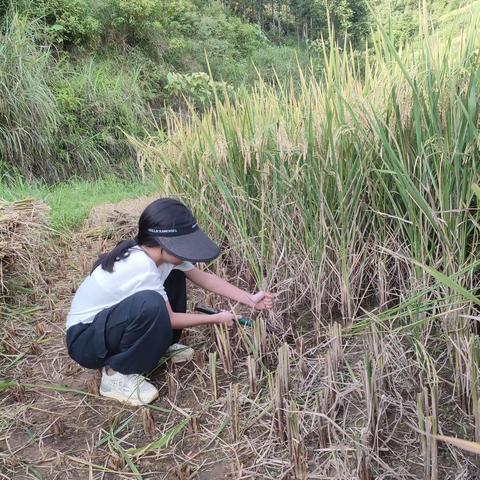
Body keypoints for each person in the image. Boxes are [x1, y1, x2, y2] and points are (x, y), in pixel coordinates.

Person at [65, 197, 273, 406]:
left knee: (174, 277)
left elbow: (205, 278)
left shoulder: (162, 259)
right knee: (151, 303)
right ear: (163, 244)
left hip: (109, 326)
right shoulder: (140, 264)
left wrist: (250, 300)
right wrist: (216, 318)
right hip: (86, 340)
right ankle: (115, 375)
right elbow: (170, 318)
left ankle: (161, 344)